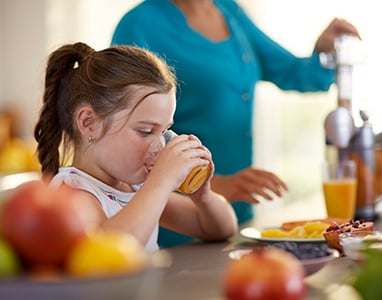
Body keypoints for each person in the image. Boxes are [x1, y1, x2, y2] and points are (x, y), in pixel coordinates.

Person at [111, 0, 361, 247]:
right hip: (177, 221)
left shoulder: (230, 11)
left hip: (234, 214)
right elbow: (125, 134)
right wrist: (212, 184)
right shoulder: (139, 25)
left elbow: (293, 73)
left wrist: (324, 49)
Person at [33, 42, 238, 252]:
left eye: (164, 131)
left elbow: (220, 229)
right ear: (89, 123)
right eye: (146, 131)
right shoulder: (71, 193)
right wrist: (162, 180)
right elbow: (112, 252)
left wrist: (202, 197)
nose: (160, 146)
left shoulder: (134, 187)